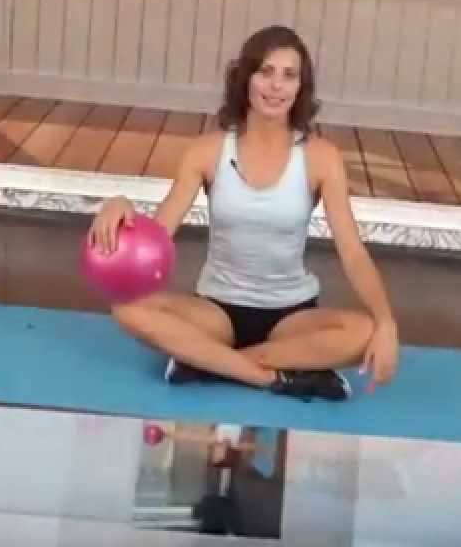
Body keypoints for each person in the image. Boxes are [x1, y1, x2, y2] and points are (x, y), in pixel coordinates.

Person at [88, 24, 399, 402]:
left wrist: (387, 323)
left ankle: (207, 362)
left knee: (365, 331)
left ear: (300, 87)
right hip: (216, 313)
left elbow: (353, 253)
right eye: (265, 72)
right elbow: (157, 236)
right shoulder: (207, 151)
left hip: (291, 316)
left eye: (289, 75)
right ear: (246, 79)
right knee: (128, 309)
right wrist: (119, 205)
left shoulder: (321, 157)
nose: (276, 86)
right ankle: (271, 375)